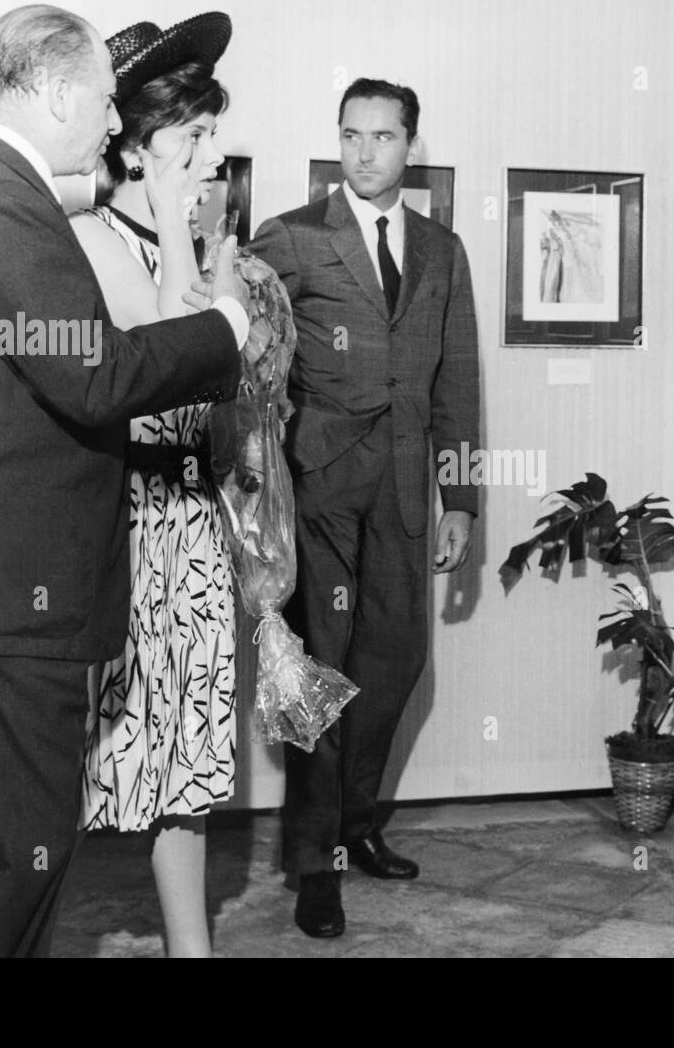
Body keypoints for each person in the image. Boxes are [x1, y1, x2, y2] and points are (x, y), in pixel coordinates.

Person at [0, 4, 253, 958]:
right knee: (4, 879)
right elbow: (98, 375)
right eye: (107, 103)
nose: (115, 127)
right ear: (59, 91)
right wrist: (225, 325)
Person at [248, 78, 481, 938]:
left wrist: (463, 498)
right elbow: (248, 352)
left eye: (383, 137)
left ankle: (351, 825)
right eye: (352, 135)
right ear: (337, 140)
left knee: (396, 663)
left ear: (409, 144)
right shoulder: (295, 237)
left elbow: (456, 379)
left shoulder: (441, 250)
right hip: (318, 492)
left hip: (405, 493)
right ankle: (315, 866)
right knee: (318, 680)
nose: (366, 152)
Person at [67, 13, 244, 959]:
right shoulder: (89, 243)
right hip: (123, 526)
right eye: (195, 135)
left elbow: (221, 390)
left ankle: (192, 951)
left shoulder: (207, 234)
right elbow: (175, 353)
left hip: (195, 525)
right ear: (137, 148)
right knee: (94, 747)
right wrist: (184, 232)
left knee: (191, 756)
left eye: (214, 134)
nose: (213, 155)